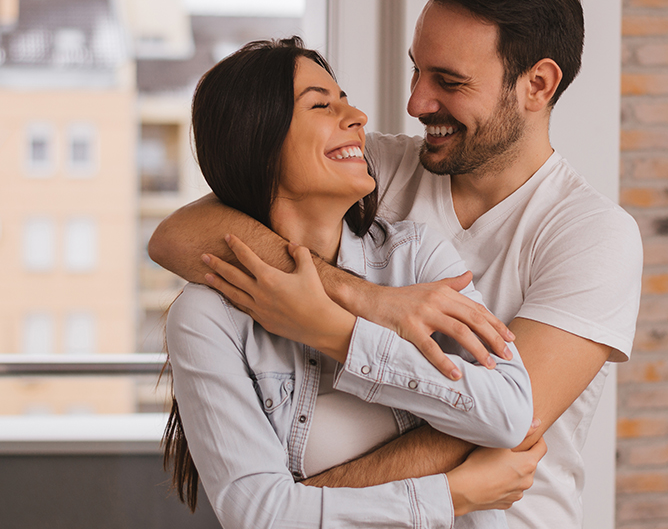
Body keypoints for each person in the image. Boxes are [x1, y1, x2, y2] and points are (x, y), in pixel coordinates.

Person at [150, 0, 643, 528]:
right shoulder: (371, 169)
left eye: (449, 81)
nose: (415, 102)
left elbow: (508, 423)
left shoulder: (592, 236)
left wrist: (294, 505)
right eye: (416, 69)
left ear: (536, 84)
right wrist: (363, 299)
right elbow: (179, 234)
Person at [163, 37, 545, 529]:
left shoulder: (414, 257)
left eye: (345, 99)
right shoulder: (206, 317)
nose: (358, 116)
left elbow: (510, 413)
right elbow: (258, 515)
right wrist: (452, 495)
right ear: (256, 140)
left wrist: (339, 334)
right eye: (322, 105)